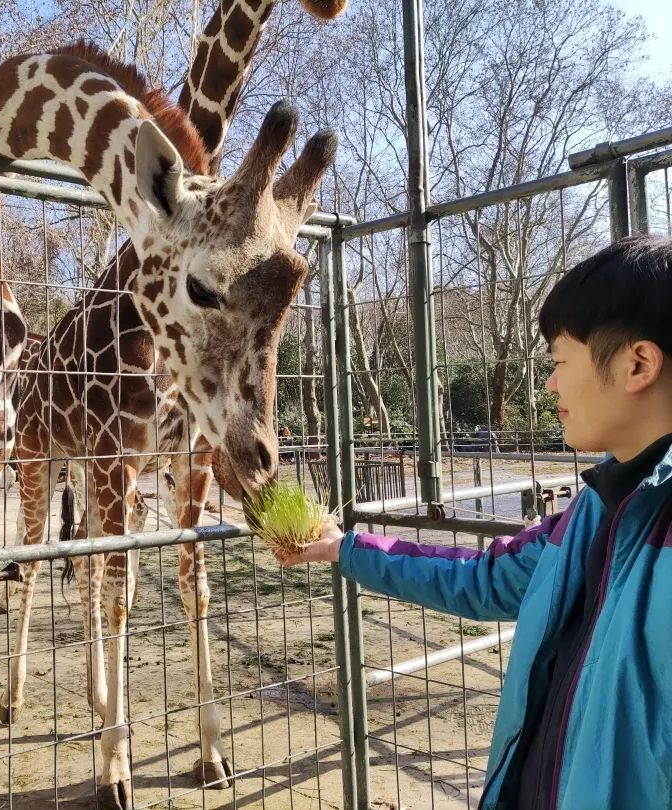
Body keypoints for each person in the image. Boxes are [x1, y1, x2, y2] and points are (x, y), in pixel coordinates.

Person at [274, 236, 672, 809]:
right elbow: (486, 577)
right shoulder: (596, 509)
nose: (551, 384)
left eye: (560, 362)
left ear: (638, 364)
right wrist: (345, 549)